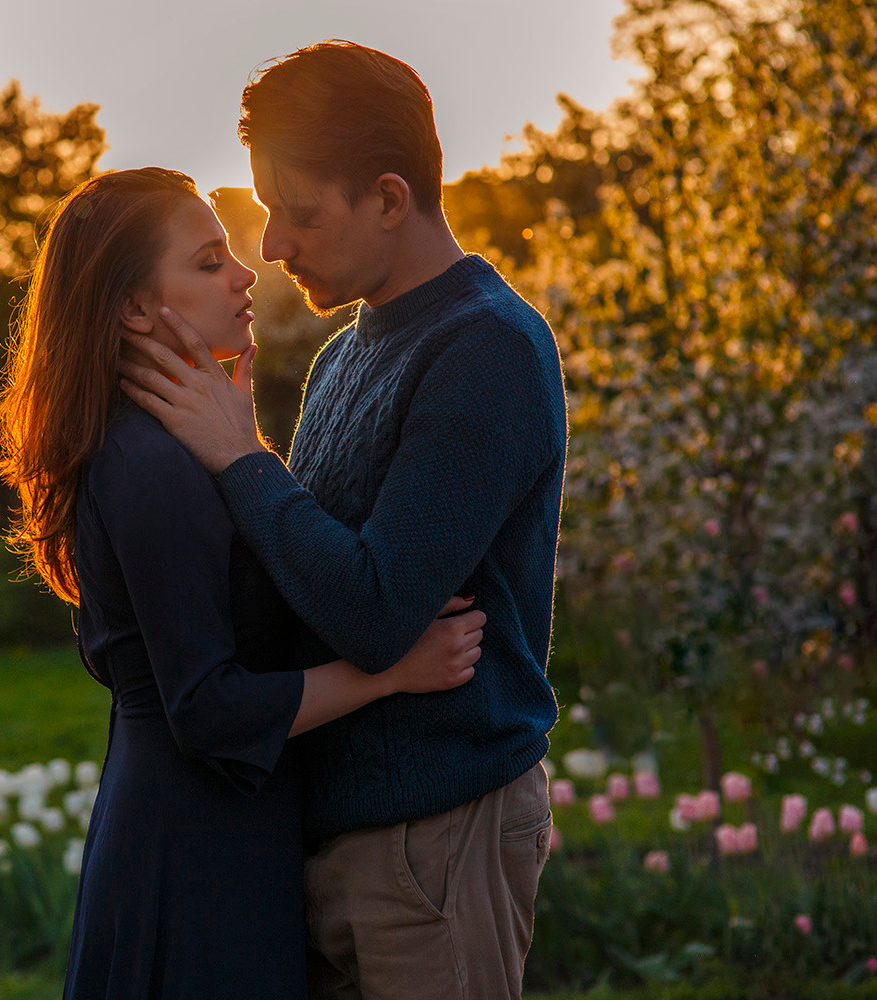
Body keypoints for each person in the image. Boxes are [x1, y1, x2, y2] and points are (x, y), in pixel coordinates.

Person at [118, 43, 568, 1000]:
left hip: (437, 832)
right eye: (269, 211)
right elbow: (311, 586)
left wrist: (242, 458)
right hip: (332, 837)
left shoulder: (486, 348)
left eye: (301, 213)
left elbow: (374, 610)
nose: (273, 245)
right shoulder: (342, 357)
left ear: (391, 198)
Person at [0, 166, 487, 1000]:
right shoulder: (146, 466)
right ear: (137, 309)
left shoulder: (178, 447)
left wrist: (243, 452)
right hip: (195, 848)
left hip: (222, 829)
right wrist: (391, 670)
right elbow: (208, 707)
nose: (248, 272)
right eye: (210, 262)